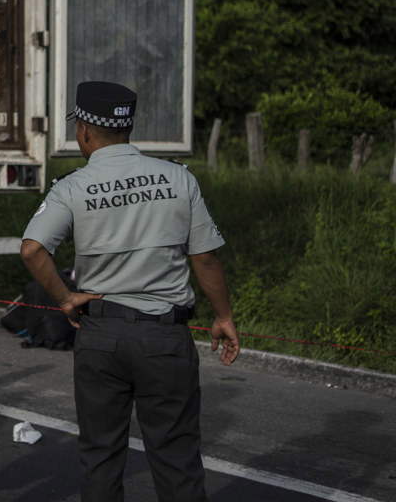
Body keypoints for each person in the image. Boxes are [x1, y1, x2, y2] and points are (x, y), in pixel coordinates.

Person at [20, 81, 240, 502]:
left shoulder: (72, 187)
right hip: (165, 338)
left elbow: (32, 249)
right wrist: (224, 317)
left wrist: (65, 299)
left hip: (101, 336)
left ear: (84, 130)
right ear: (128, 127)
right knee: (176, 460)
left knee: (100, 457)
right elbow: (206, 258)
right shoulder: (178, 178)